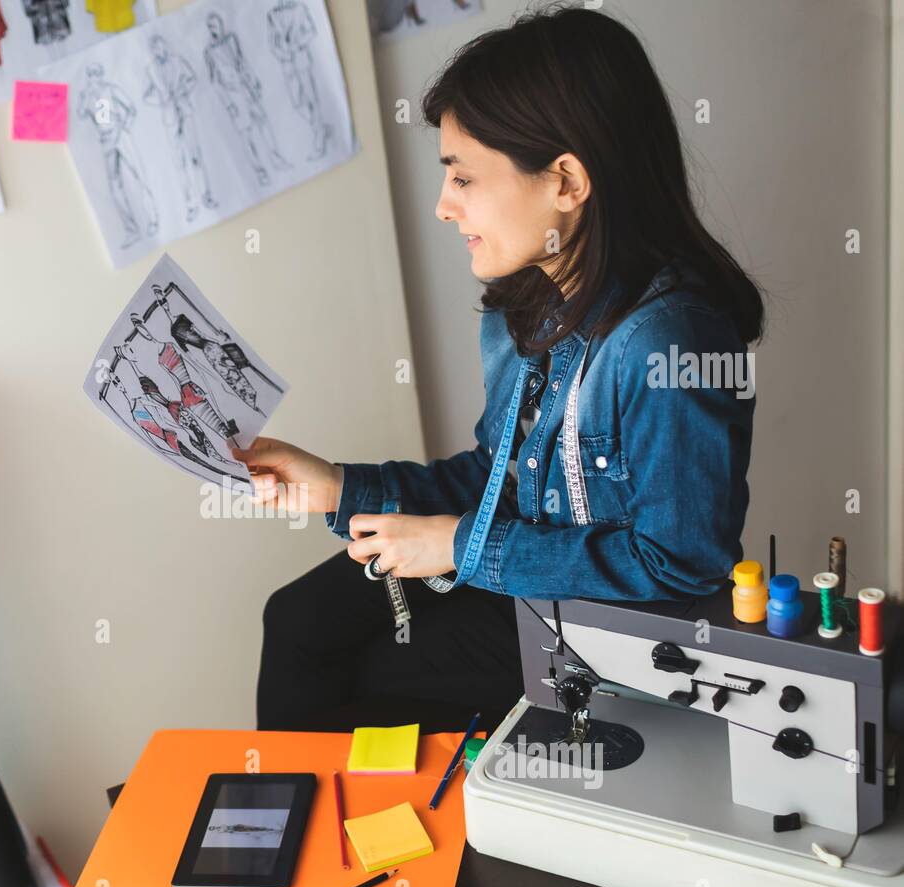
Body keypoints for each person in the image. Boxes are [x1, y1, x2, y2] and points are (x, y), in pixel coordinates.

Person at [240, 5, 765, 734]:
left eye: (463, 179)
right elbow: (501, 479)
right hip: (520, 576)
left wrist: (456, 545)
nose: (443, 207)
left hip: (607, 634)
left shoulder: (666, 344)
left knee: (362, 679)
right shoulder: (524, 307)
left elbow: (682, 565)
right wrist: (338, 487)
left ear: (566, 182)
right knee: (297, 619)